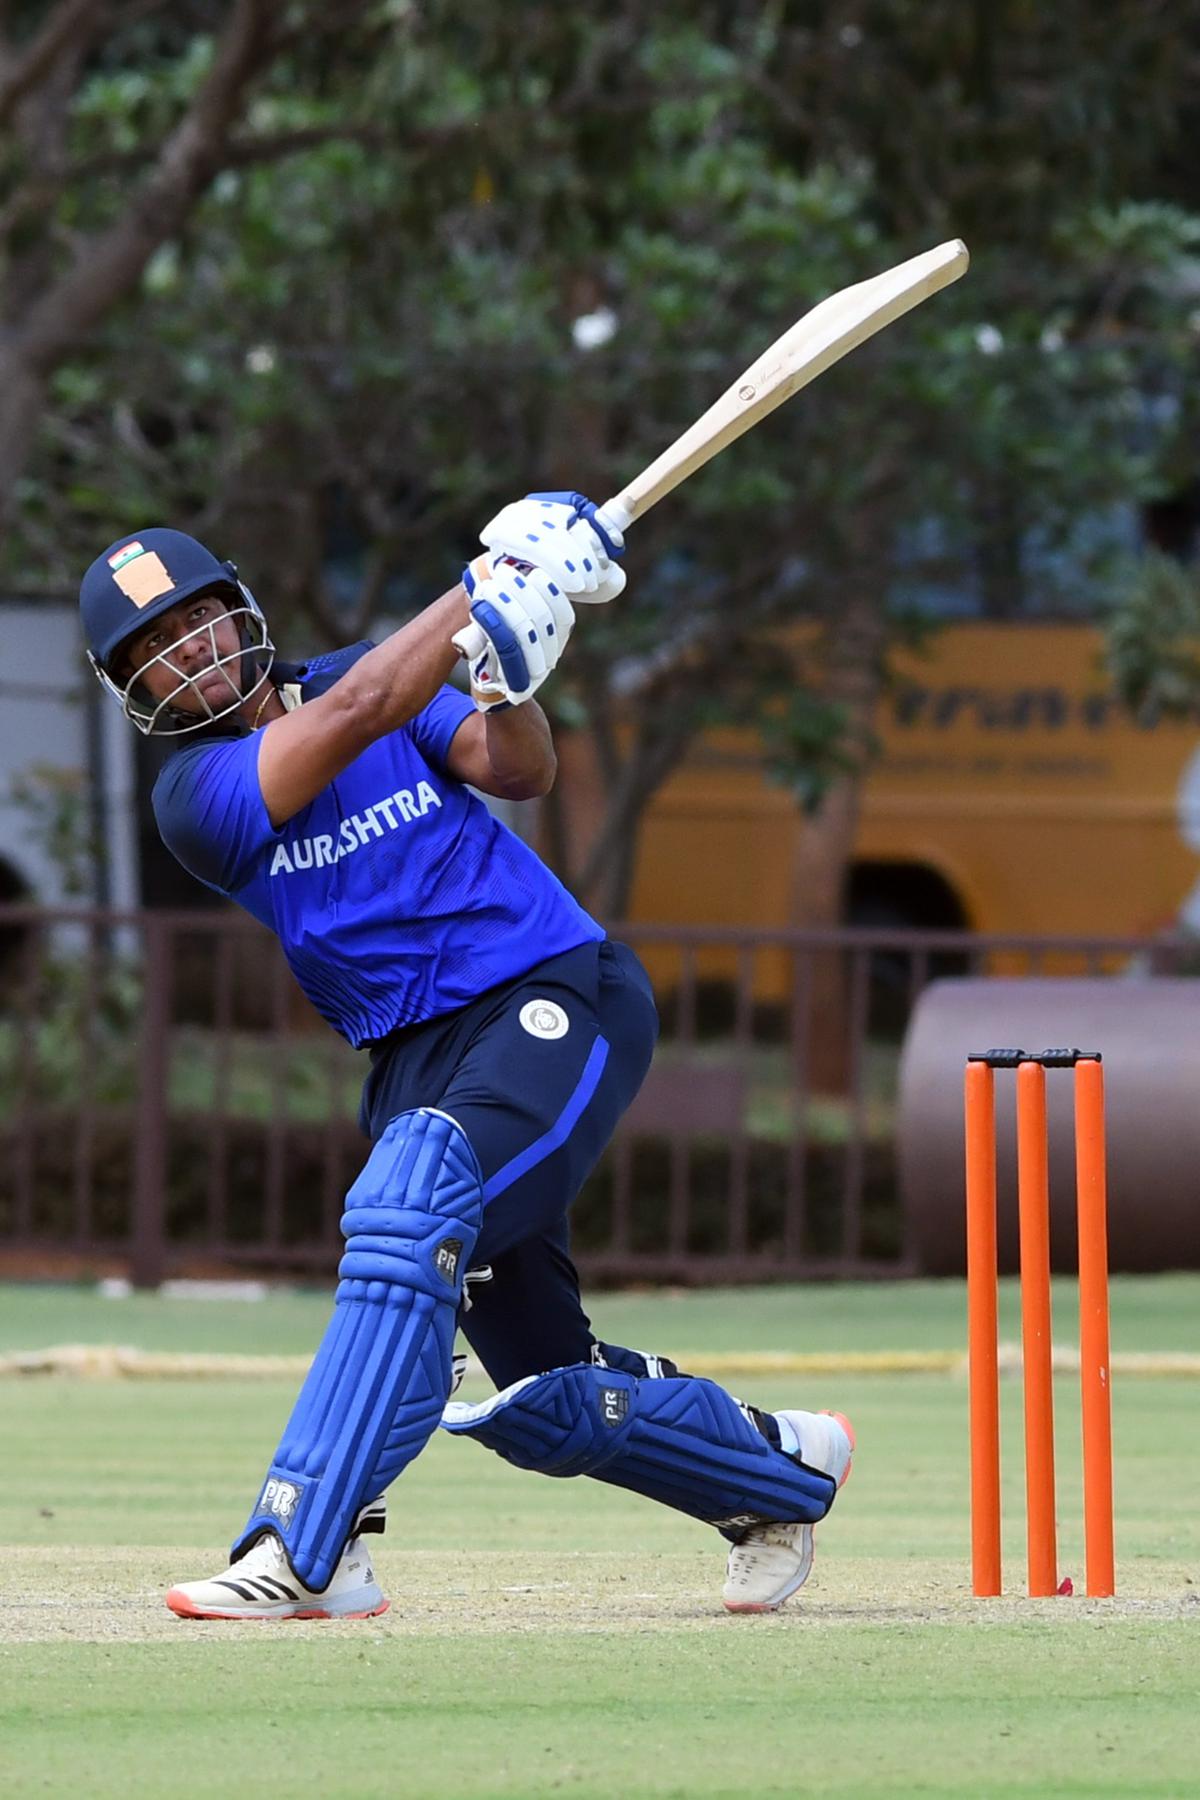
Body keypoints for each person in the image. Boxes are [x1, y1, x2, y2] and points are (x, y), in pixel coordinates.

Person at [78, 497, 854, 1621]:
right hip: (413, 1059)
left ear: (237, 608)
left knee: (413, 1199)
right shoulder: (193, 799)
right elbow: (358, 707)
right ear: (133, 692)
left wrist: (506, 673)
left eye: (195, 621)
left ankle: (305, 1545)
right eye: (154, 652)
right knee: (548, 1398)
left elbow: (513, 764)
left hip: (551, 994)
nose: (187, 656)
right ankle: (780, 1475)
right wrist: (487, 577)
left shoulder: (368, 677)